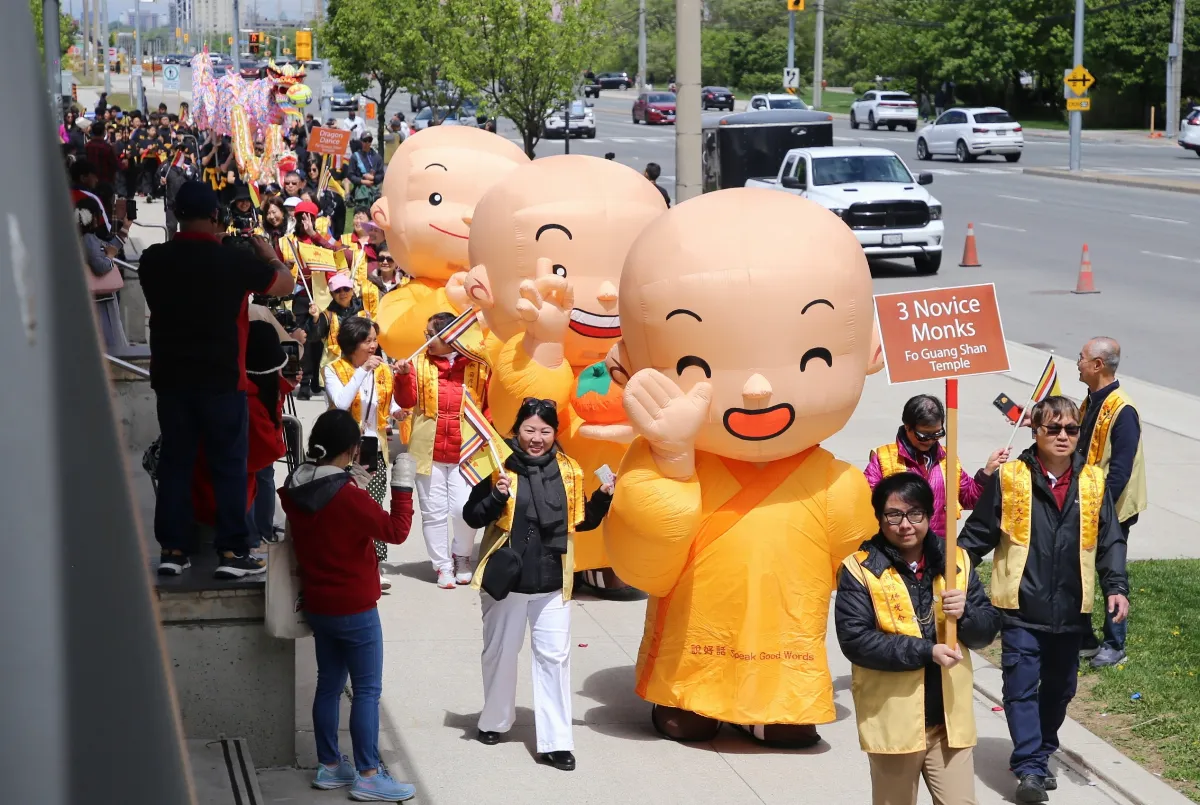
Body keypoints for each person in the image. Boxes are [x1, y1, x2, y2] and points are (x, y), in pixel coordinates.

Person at [958, 396, 1130, 804]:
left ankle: (1042, 748)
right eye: (1053, 428)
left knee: (1059, 690)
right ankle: (1031, 768)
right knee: (1020, 688)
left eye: (1071, 429)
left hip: (1072, 610)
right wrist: (953, 568)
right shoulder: (1011, 477)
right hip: (1019, 608)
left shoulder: (1093, 481)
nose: (1063, 436)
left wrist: (1117, 586)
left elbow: (1109, 540)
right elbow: (978, 534)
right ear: (1036, 431)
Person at [139, 182, 294, 578]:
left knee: (176, 463)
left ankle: (173, 550)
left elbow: (186, 265)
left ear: (176, 214)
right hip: (222, 380)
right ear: (215, 217)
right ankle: (232, 553)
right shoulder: (232, 262)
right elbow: (284, 285)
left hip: (171, 379)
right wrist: (269, 256)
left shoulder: (154, 259)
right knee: (228, 465)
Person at [463, 398, 614, 771]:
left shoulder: (569, 470)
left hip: (550, 582)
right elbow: (472, 514)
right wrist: (496, 495)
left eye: (545, 431)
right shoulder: (499, 464)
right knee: (499, 653)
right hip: (507, 581)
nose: (536, 438)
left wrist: (603, 498)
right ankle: (495, 721)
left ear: (554, 434)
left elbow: (583, 521)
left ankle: (556, 742)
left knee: (555, 659)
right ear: (517, 430)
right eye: (529, 430)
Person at [278, 409, 418, 803]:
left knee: (329, 684)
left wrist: (350, 481)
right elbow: (397, 530)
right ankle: (369, 774)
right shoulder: (347, 496)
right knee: (367, 691)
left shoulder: (296, 485)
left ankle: (329, 765)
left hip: (319, 603)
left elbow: (326, 499)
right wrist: (403, 484)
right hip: (355, 606)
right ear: (354, 449)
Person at [836, 473, 1000, 805]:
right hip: (894, 722)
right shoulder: (859, 569)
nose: (905, 524)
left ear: (929, 514)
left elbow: (986, 631)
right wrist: (927, 651)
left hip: (948, 722)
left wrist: (966, 614)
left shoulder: (958, 562)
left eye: (915, 514)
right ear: (880, 518)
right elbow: (856, 640)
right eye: (893, 515)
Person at [393, 312, 491, 588]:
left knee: (464, 509)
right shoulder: (418, 363)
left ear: (451, 336)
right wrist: (402, 378)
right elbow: (407, 400)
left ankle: (462, 556)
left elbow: (488, 406)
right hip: (428, 451)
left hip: (466, 451)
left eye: (430, 335)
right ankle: (442, 566)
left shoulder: (479, 366)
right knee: (433, 511)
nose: (426, 340)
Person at [1075, 337, 1145, 668]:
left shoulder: (1122, 409)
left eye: (1082, 358)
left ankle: (1115, 644)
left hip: (1112, 509)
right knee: (1080, 570)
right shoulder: (1091, 401)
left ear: (1098, 365)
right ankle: (1085, 638)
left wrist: (1099, 513)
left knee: (1110, 574)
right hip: (1088, 503)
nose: (1078, 363)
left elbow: (1120, 471)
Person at [324, 318, 401, 588]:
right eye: (367, 340)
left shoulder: (382, 369)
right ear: (352, 343)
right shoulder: (333, 369)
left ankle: (374, 567)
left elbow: (386, 402)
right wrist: (362, 372)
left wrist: (396, 411)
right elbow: (342, 402)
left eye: (374, 340)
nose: (373, 346)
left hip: (371, 447)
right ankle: (344, 563)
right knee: (343, 507)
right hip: (343, 450)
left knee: (372, 507)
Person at [865, 394, 1009, 537]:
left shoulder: (948, 458)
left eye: (937, 434)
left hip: (938, 547)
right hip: (898, 544)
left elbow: (969, 499)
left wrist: (988, 471)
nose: (930, 440)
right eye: (924, 435)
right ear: (907, 427)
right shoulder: (883, 458)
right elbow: (867, 506)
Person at [314, 273, 368, 366]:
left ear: (352, 290)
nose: (342, 293)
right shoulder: (327, 315)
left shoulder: (364, 310)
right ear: (332, 294)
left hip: (362, 363)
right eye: (337, 290)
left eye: (346, 289)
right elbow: (313, 337)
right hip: (336, 365)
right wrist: (315, 319)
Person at [348, 133, 385, 207]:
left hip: (375, 191)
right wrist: (362, 181)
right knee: (362, 213)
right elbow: (350, 175)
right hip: (361, 191)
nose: (367, 143)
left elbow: (381, 174)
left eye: (369, 140)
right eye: (365, 140)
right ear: (361, 141)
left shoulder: (377, 157)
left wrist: (373, 178)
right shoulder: (355, 157)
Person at [85, 121, 119, 186]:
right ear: (104, 132)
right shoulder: (107, 147)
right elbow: (114, 164)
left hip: (90, 180)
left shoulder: (87, 146)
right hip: (105, 181)